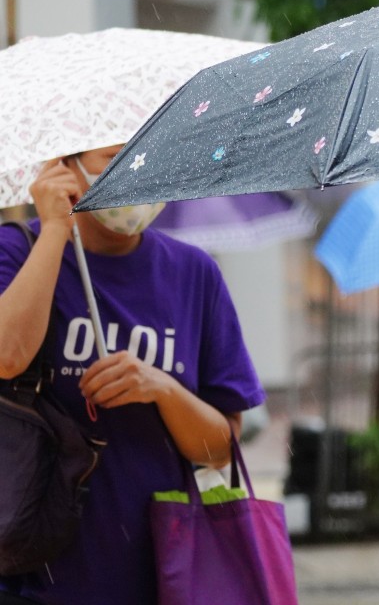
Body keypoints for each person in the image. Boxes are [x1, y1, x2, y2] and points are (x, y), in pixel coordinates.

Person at [0, 147, 266, 604]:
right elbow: (7, 357)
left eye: (147, 152)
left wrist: (162, 389)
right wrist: (56, 229)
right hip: (28, 571)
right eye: (112, 157)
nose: (134, 169)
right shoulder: (16, 249)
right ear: (65, 167)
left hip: (161, 571)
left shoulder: (194, 272)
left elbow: (218, 450)